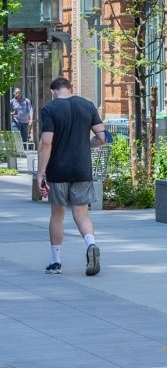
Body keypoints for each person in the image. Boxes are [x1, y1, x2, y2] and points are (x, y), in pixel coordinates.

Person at [36, 77, 106, 276]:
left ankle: (55, 261)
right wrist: (87, 144)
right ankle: (91, 244)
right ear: (71, 88)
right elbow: (102, 138)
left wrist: (40, 174)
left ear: (53, 92)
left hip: (58, 170)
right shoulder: (88, 105)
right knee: (81, 215)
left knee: (57, 215)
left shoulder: (50, 109)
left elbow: (46, 144)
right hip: (82, 169)